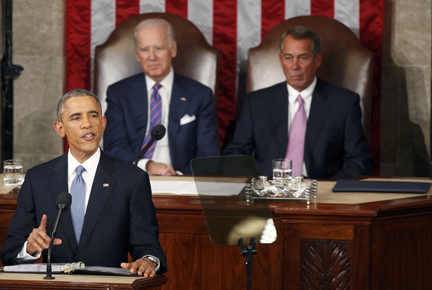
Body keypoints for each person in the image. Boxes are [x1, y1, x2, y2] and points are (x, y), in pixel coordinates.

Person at [0, 89, 167, 277]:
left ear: (103, 124)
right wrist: (30, 248)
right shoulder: (37, 179)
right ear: (60, 128)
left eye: (93, 116)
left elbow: (149, 247)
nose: (87, 124)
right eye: (76, 118)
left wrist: (148, 261)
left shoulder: (132, 179)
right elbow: (9, 253)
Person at [224, 26, 373, 179]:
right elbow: (235, 156)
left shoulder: (344, 103)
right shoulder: (256, 103)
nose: (295, 66)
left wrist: (326, 189)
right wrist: (258, 185)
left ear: (317, 60)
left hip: (319, 194)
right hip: (268, 193)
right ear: (281, 61)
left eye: (302, 58)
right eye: (289, 58)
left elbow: (359, 161)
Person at [103, 18, 220, 175]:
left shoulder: (200, 95)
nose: (152, 57)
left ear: (173, 49)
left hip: (181, 180)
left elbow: (209, 154)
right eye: (144, 50)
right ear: (137, 54)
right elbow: (114, 147)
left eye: (159, 48)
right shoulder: (119, 93)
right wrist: (148, 166)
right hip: (132, 177)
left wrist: (178, 178)